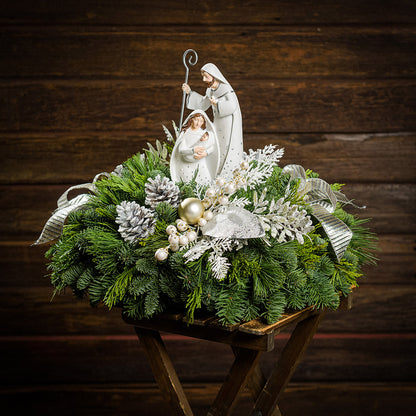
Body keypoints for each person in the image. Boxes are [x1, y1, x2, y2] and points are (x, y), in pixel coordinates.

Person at [182, 63, 243, 180]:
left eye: (206, 76)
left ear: (214, 76)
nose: (204, 79)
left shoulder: (226, 89)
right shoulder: (210, 90)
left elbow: (232, 105)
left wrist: (218, 104)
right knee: (218, 144)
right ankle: (218, 171)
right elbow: (203, 103)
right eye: (203, 76)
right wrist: (190, 92)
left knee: (226, 145)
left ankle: (229, 173)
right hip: (218, 122)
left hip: (228, 123)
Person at [170, 110, 220, 186]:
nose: (198, 123)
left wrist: (205, 153)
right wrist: (193, 150)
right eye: (196, 120)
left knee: (205, 184)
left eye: (201, 121)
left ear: (203, 123)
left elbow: (213, 147)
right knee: (187, 185)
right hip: (186, 166)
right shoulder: (186, 133)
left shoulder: (204, 134)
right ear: (191, 119)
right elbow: (181, 150)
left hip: (200, 165)